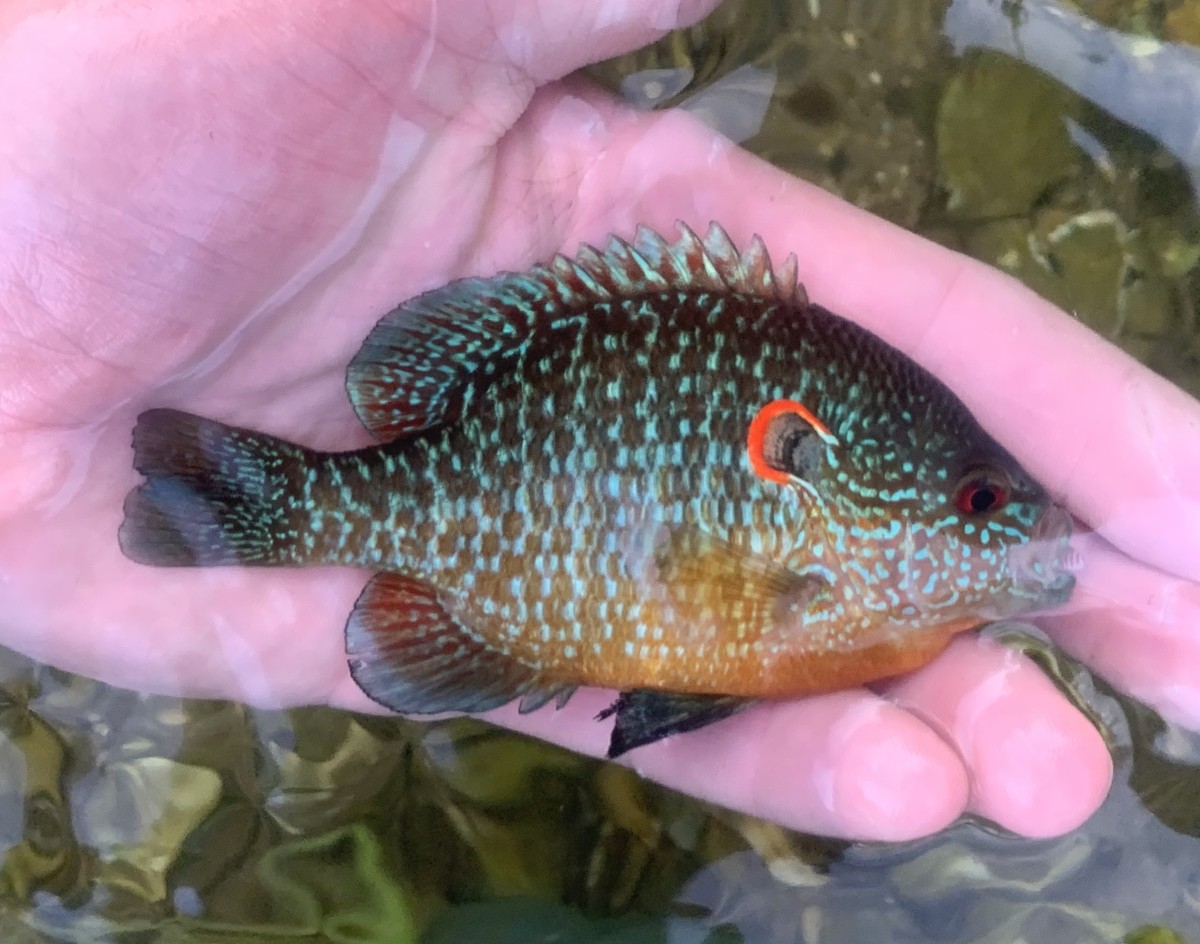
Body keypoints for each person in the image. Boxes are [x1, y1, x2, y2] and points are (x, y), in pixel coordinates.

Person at [2, 0, 1199, 844]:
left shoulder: (876, 605)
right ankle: (266, 505)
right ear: (824, 467)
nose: (1006, 522)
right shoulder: (845, 598)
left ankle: (250, 505)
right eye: (978, 500)